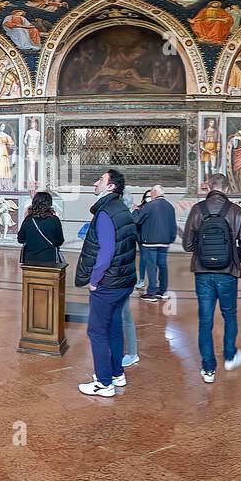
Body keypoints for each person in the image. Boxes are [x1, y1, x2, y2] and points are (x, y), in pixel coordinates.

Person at [74, 169, 140, 396]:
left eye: (100, 180)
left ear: (110, 186)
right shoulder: (122, 208)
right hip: (124, 280)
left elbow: (106, 252)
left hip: (108, 282)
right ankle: (116, 373)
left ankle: (103, 383)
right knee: (114, 327)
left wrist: (94, 280)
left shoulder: (105, 212)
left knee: (97, 331)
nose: (95, 183)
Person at [183, 177, 241, 382]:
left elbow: (187, 245)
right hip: (227, 273)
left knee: (205, 320)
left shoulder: (197, 210)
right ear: (227, 188)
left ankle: (208, 369)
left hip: (203, 274)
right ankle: (230, 356)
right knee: (229, 315)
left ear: (209, 187)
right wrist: (233, 257)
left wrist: (204, 254)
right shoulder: (236, 211)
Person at [134, 185, 178, 303]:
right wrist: (171, 238)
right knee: (163, 266)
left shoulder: (149, 206)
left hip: (150, 241)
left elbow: (137, 220)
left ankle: (152, 293)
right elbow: (173, 225)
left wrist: (136, 211)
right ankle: (162, 292)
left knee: (151, 266)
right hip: (165, 241)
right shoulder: (170, 206)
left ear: (154, 192)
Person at [15, 190, 64, 269]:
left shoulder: (28, 219)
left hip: (30, 260)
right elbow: (60, 240)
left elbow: (20, 239)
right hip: (49, 259)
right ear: (49, 204)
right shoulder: (54, 220)